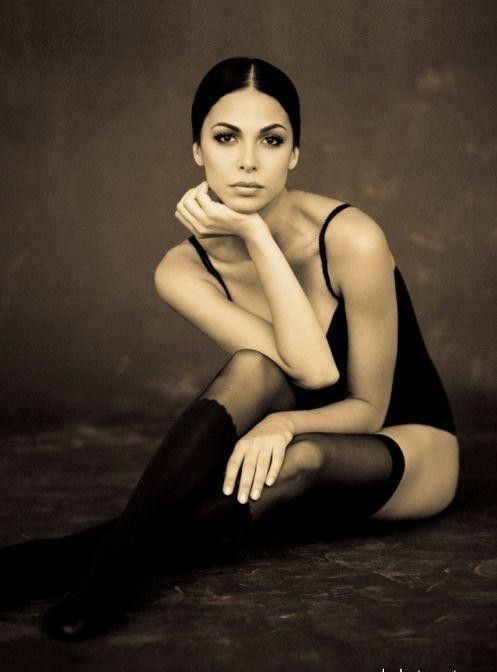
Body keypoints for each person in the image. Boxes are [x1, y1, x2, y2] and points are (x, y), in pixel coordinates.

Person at [0, 57, 460, 641]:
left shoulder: (353, 239)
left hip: (405, 446)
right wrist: (254, 236)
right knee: (252, 368)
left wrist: (254, 234)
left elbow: (351, 397)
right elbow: (298, 370)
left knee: (302, 457)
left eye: (271, 140)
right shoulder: (181, 271)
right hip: (291, 452)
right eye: (225, 138)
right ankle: (103, 565)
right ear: (198, 151)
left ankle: (77, 565)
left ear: (295, 153)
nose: (248, 161)